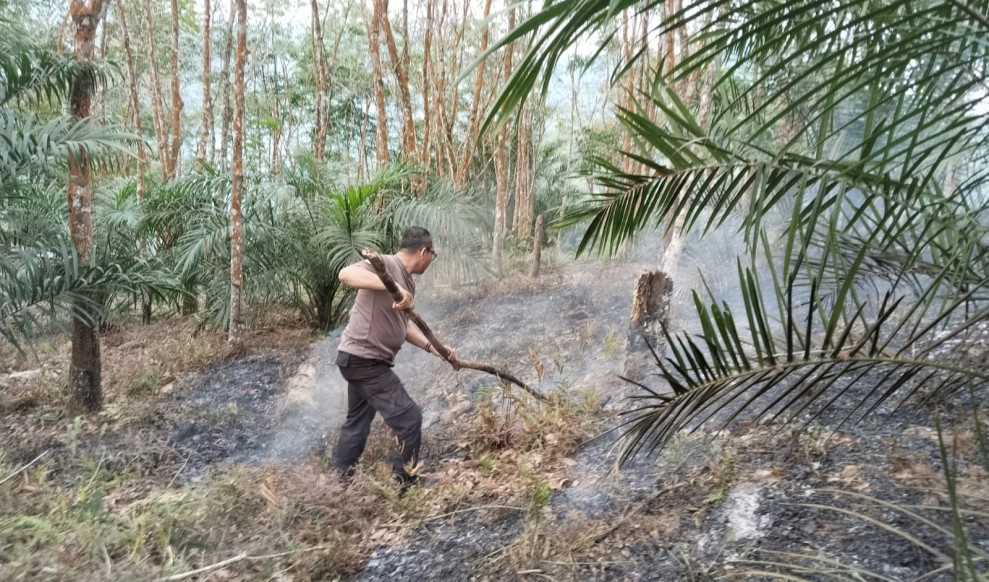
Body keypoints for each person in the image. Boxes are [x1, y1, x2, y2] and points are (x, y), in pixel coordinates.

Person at [331, 226, 457, 487]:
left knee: (357, 422)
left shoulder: (407, 282)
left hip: (357, 360)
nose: (431, 260)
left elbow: (404, 325)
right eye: (432, 255)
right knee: (410, 418)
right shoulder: (387, 264)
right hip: (365, 361)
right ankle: (405, 484)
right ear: (424, 251)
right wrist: (391, 285)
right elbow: (345, 274)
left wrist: (435, 348)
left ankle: (339, 482)